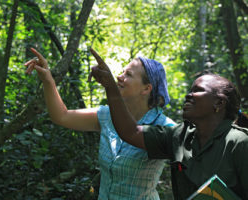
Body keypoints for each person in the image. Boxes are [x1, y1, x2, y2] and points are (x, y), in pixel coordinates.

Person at [89, 48, 248, 199]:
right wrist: (110, 86)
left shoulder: (238, 143)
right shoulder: (179, 137)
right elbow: (130, 132)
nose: (188, 95)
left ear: (219, 104)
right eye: (190, 90)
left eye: (198, 90)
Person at [24, 47, 175, 199]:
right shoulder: (107, 115)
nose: (119, 77)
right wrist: (48, 79)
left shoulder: (164, 128)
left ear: (146, 88)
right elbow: (61, 116)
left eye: (128, 74)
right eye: (122, 71)